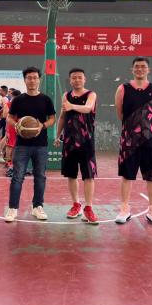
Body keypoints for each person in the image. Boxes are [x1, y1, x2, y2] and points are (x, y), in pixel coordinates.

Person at [114, 57, 152, 226]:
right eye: (137, 67)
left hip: (150, 141)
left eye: (143, 67)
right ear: (132, 69)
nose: (140, 69)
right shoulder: (123, 89)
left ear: (149, 69)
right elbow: (121, 114)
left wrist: (146, 130)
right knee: (127, 175)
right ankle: (125, 209)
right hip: (128, 141)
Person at [5, 67, 56, 223]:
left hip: (41, 145)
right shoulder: (18, 100)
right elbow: (9, 117)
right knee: (17, 177)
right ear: (24, 80)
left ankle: (37, 207)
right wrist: (16, 125)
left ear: (39, 80)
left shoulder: (46, 99)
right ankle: (13, 209)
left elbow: (52, 118)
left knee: (40, 177)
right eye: (29, 78)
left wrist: (43, 126)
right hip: (22, 145)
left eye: (35, 78)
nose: (32, 80)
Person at [54, 68, 99, 225]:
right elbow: (62, 117)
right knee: (71, 175)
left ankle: (88, 208)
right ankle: (76, 204)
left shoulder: (91, 94)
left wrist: (72, 106)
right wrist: (58, 136)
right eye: (74, 78)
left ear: (84, 79)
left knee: (89, 176)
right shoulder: (66, 96)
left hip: (86, 141)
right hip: (69, 141)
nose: (77, 80)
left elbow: (88, 108)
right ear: (70, 80)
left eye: (80, 77)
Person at [3, 89, 21, 177]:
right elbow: (4, 115)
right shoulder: (8, 104)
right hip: (10, 125)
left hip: (17, 125)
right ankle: (8, 160)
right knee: (9, 143)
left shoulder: (19, 104)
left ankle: (13, 160)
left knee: (15, 144)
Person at [0, 86, 10, 163]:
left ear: (3, 91)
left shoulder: (5, 99)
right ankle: (1, 154)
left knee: (0, 137)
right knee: (3, 137)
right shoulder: (9, 99)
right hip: (5, 121)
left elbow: (5, 109)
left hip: (3, 121)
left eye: (0, 90)